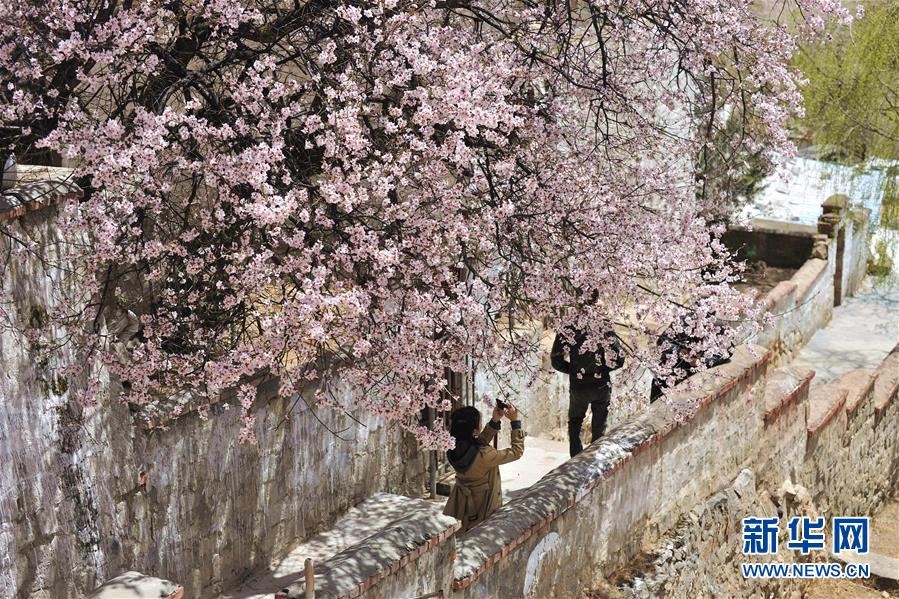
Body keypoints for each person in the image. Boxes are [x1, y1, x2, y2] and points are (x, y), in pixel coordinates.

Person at [443, 404, 524, 532]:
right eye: (480, 423)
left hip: (462, 504)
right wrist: (515, 423)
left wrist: (494, 421)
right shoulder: (484, 455)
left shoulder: (452, 448)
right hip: (483, 506)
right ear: (474, 431)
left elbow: (477, 442)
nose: (481, 425)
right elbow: (516, 452)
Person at [551, 326, 624, 457]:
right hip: (601, 386)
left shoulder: (567, 328)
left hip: (578, 387)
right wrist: (602, 370)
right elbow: (620, 359)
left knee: (575, 423)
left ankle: (576, 462)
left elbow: (556, 361)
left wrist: (575, 371)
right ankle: (595, 461)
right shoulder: (603, 325)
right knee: (599, 426)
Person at [649, 321, 733, 403]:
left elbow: (729, 351)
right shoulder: (683, 321)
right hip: (667, 374)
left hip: (690, 380)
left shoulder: (717, 328)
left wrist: (703, 361)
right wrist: (679, 350)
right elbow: (662, 341)